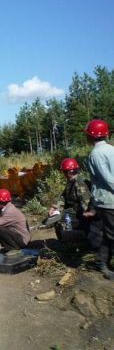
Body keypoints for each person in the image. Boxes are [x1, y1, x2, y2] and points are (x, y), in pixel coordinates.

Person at [82, 119, 114, 280]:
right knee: (109, 234)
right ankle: (103, 264)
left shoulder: (95, 154)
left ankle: (103, 263)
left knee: (110, 235)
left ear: (90, 136)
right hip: (109, 201)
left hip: (108, 201)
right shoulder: (111, 149)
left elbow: (108, 179)